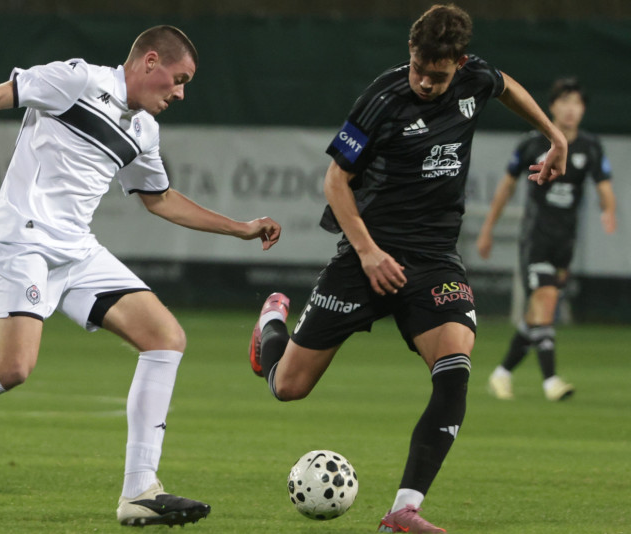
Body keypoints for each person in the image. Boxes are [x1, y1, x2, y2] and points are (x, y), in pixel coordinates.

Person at [0, 25, 281, 527]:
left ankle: (140, 490)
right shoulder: (79, 80)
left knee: (165, 338)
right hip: (22, 238)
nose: (181, 93)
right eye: (179, 79)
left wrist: (240, 228)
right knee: (13, 367)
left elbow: (160, 199)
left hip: (76, 250)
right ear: (150, 62)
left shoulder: (144, 130)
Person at [247, 5, 567, 533]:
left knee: (455, 368)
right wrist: (369, 252)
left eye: (436, 75)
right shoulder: (384, 98)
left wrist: (555, 136)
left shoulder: (475, 77)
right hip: (367, 252)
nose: (424, 81)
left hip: (434, 258)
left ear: (459, 63)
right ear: (411, 53)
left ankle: (403, 510)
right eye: (418, 67)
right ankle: (272, 325)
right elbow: (335, 180)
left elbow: (507, 85)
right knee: (289, 386)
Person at [478, 77, 616, 402]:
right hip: (536, 238)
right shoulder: (531, 143)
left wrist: (608, 210)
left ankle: (501, 374)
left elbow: (604, 185)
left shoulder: (591, 147)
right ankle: (551, 381)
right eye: (564, 101)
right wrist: (488, 228)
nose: (570, 109)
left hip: (565, 244)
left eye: (577, 103)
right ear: (551, 106)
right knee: (546, 303)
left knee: (537, 315)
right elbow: (507, 186)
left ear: (583, 110)